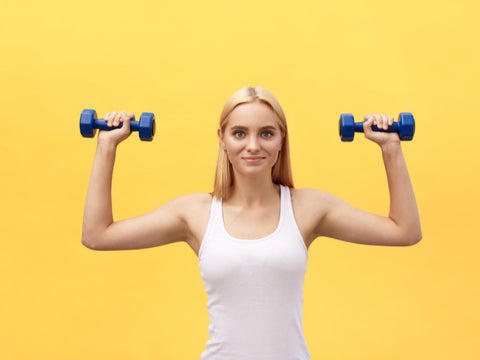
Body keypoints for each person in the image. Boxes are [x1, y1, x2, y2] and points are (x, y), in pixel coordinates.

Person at [81, 86, 422, 359]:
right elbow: (97, 235)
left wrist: (391, 148)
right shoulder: (196, 213)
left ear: (281, 140)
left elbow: (404, 231)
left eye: (267, 134)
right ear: (222, 139)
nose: (253, 146)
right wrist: (106, 146)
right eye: (240, 133)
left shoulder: (307, 207)